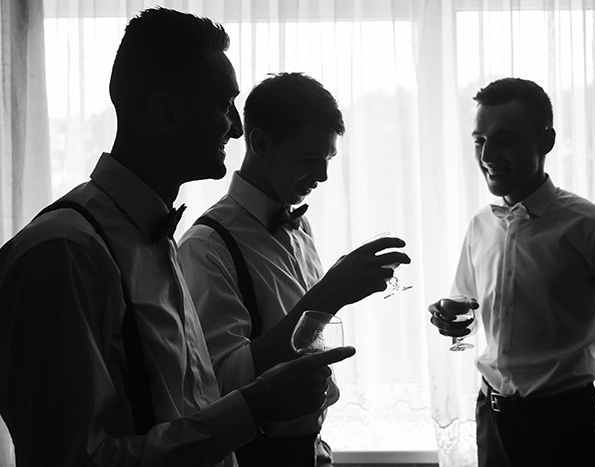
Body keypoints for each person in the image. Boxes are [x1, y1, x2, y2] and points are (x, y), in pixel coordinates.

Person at [0, 8, 355, 467]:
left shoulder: (157, 240)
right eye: (224, 105)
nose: (238, 126)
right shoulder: (63, 254)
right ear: (167, 114)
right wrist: (257, 405)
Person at [428, 77, 595, 467]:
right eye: (479, 140)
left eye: (505, 139)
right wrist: (451, 320)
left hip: (567, 429)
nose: (487, 154)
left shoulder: (594, 228)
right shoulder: (480, 225)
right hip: (490, 419)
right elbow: (470, 312)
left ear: (546, 141)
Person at [179, 72, 410, 466]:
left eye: (328, 159)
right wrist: (330, 294)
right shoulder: (206, 246)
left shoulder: (300, 228)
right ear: (260, 143)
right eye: (308, 159)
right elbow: (219, 384)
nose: (322, 176)